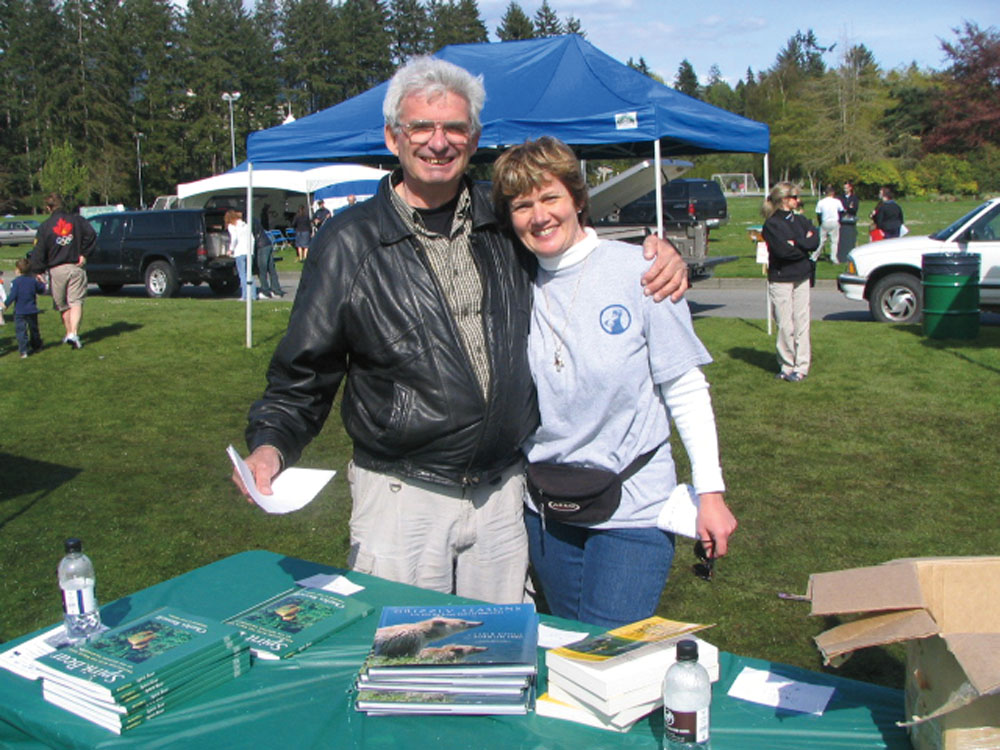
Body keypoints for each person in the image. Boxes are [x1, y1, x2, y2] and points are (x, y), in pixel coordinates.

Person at [232, 56, 688, 605]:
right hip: (405, 499)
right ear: (392, 137)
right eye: (421, 126)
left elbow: (574, 250)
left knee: (496, 664)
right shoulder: (350, 242)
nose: (437, 142)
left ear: (473, 139)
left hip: (503, 499)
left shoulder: (504, 225)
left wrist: (658, 256)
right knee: (406, 666)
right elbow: (304, 370)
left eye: (454, 128)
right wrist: (271, 445)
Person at [491, 137, 737, 627]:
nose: (538, 216)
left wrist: (710, 492)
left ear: (578, 199)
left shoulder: (643, 272)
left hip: (633, 507)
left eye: (550, 197)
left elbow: (684, 388)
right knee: (567, 643)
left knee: (611, 653)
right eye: (522, 205)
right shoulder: (511, 279)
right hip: (547, 510)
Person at [762, 182, 818, 382]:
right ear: (784, 200)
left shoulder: (802, 220)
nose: (797, 200)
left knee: (802, 322)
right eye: (794, 197)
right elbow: (782, 251)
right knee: (785, 324)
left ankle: (801, 365)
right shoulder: (772, 224)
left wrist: (798, 243)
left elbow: (814, 241)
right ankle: (786, 364)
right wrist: (802, 245)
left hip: (802, 276)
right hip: (781, 278)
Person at [29, 192, 96, 349]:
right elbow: (91, 234)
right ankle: (73, 333)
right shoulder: (77, 220)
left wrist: (37, 269)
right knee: (76, 301)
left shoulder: (45, 226)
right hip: (75, 266)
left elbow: (39, 250)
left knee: (62, 304)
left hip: (57, 268)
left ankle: (69, 333)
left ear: (48, 207)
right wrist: (84, 254)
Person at [5, 258, 45, 358]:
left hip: (19, 311)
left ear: (18, 270)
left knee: (21, 330)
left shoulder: (16, 282)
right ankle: (36, 346)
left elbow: (13, 295)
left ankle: (23, 350)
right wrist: (42, 282)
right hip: (32, 309)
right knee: (34, 329)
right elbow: (41, 290)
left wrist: (6, 304)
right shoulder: (33, 281)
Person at [225, 209, 256, 301]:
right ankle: (253, 295)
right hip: (249, 252)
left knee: (242, 274)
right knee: (249, 274)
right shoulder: (245, 225)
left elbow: (234, 238)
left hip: (240, 251)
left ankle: (245, 295)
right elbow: (252, 238)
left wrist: (231, 250)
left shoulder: (232, 226)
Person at [254, 217, 284, 299]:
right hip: (267, 243)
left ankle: (265, 291)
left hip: (261, 246)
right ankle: (276, 290)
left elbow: (253, 237)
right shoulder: (256, 219)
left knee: (261, 269)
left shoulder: (249, 222)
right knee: (271, 269)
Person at [814, 186, 844, 263]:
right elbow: (841, 211)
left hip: (825, 222)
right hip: (834, 221)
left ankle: (814, 256)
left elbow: (818, 214)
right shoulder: (837, 201)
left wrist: (820, 223)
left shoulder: (821, 202)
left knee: (821, 241)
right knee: (834, 241)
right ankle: (833, 258)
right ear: (833, 193)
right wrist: (839, 221)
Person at [838, 181, 860, 260]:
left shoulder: (854, 198)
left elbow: (854, 209)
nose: (845, 190)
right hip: (842, 220)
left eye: (847, 188)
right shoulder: (840, 198)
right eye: (844, 188)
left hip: (851, 219)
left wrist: (847, 208)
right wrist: (848, 207)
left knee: (852, 237)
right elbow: (840, 209)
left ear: (850, 188)